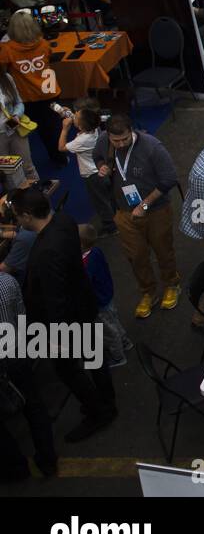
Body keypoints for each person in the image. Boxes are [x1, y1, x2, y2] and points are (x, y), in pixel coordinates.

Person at [13, 186, 116, 442]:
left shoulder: (47, 251)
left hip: (66, 322)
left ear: (27, 215)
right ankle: (107, 402)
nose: (16, 220)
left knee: (68, 370)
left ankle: (97, 412)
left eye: (17, 216)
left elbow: (54, 297)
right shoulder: (64, 220)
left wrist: (55, 338)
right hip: (84, 305)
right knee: (96, 360)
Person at [93, 115, 180, 318]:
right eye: (116, 141)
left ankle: (171, 284)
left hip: (156, 210)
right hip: (124, 212)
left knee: (163, 249)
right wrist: (101, 166)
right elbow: (97, 156)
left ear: (131, 131)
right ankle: (148, 292)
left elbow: (170, 179)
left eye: (124, 139)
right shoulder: (103, 140)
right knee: (136, 255)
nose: (120, 144)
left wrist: (145, 204)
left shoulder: (152, 147)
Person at [0, 267, 56, 479]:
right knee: (34, 406)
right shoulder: (7, 282)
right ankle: (48, 460)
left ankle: (16, 469)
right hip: (16, 353)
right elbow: (22, 318)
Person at [0, 10, 65, 167]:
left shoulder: (7, 49)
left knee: (27, 129)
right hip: (50, 92)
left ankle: (18, 164)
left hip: (28, 97)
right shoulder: (43, 43)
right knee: (54, 127)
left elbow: (2, 70)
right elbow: (49, 56)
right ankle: (59, 158)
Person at [58, 99, 113, 234]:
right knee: (108, 196)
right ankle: (115, 216)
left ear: (81, 127)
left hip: (92, 174)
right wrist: (69, 114)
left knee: (99, 201)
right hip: (101, 169)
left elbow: (61, 147)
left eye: (76, 116)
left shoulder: (82, 140)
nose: (74, 117)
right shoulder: (95, 125)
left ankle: (110, 226)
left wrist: (65, 129)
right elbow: (85, 117)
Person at [79, 224, 129, 367]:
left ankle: (118, 357)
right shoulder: (96, 251)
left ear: (81, 244)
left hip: (99, 301)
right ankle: (125, 342)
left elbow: (85, 282)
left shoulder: (87, 263)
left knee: (108, 330)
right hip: (107, 295)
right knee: (114, 321)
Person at [0, 72, 36, 190]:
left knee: (28, 167)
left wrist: (16, 115)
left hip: (15, 130)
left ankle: (38, 200)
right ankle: (16, 204)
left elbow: (18, 102)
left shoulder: (6, 77)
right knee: (8, 172)